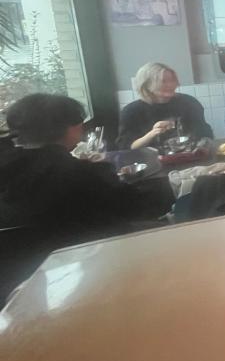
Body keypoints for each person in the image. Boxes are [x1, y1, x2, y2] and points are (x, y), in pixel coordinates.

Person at [1, 94, 151, 248]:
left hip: (17, 256)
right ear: (71, 128)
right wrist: (111, 174)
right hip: (82, 251)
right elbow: (132, 207)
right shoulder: (84, 173)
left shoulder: (9, 166)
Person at [117, 62, 213, 150]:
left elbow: (205, 134)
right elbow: (127, 147)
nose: (170, 85)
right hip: (150, 160)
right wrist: (152, 134)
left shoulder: (189, 103)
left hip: (191, 158)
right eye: (163, 81)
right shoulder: (131, 112)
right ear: (147, 85)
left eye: (172, 80)